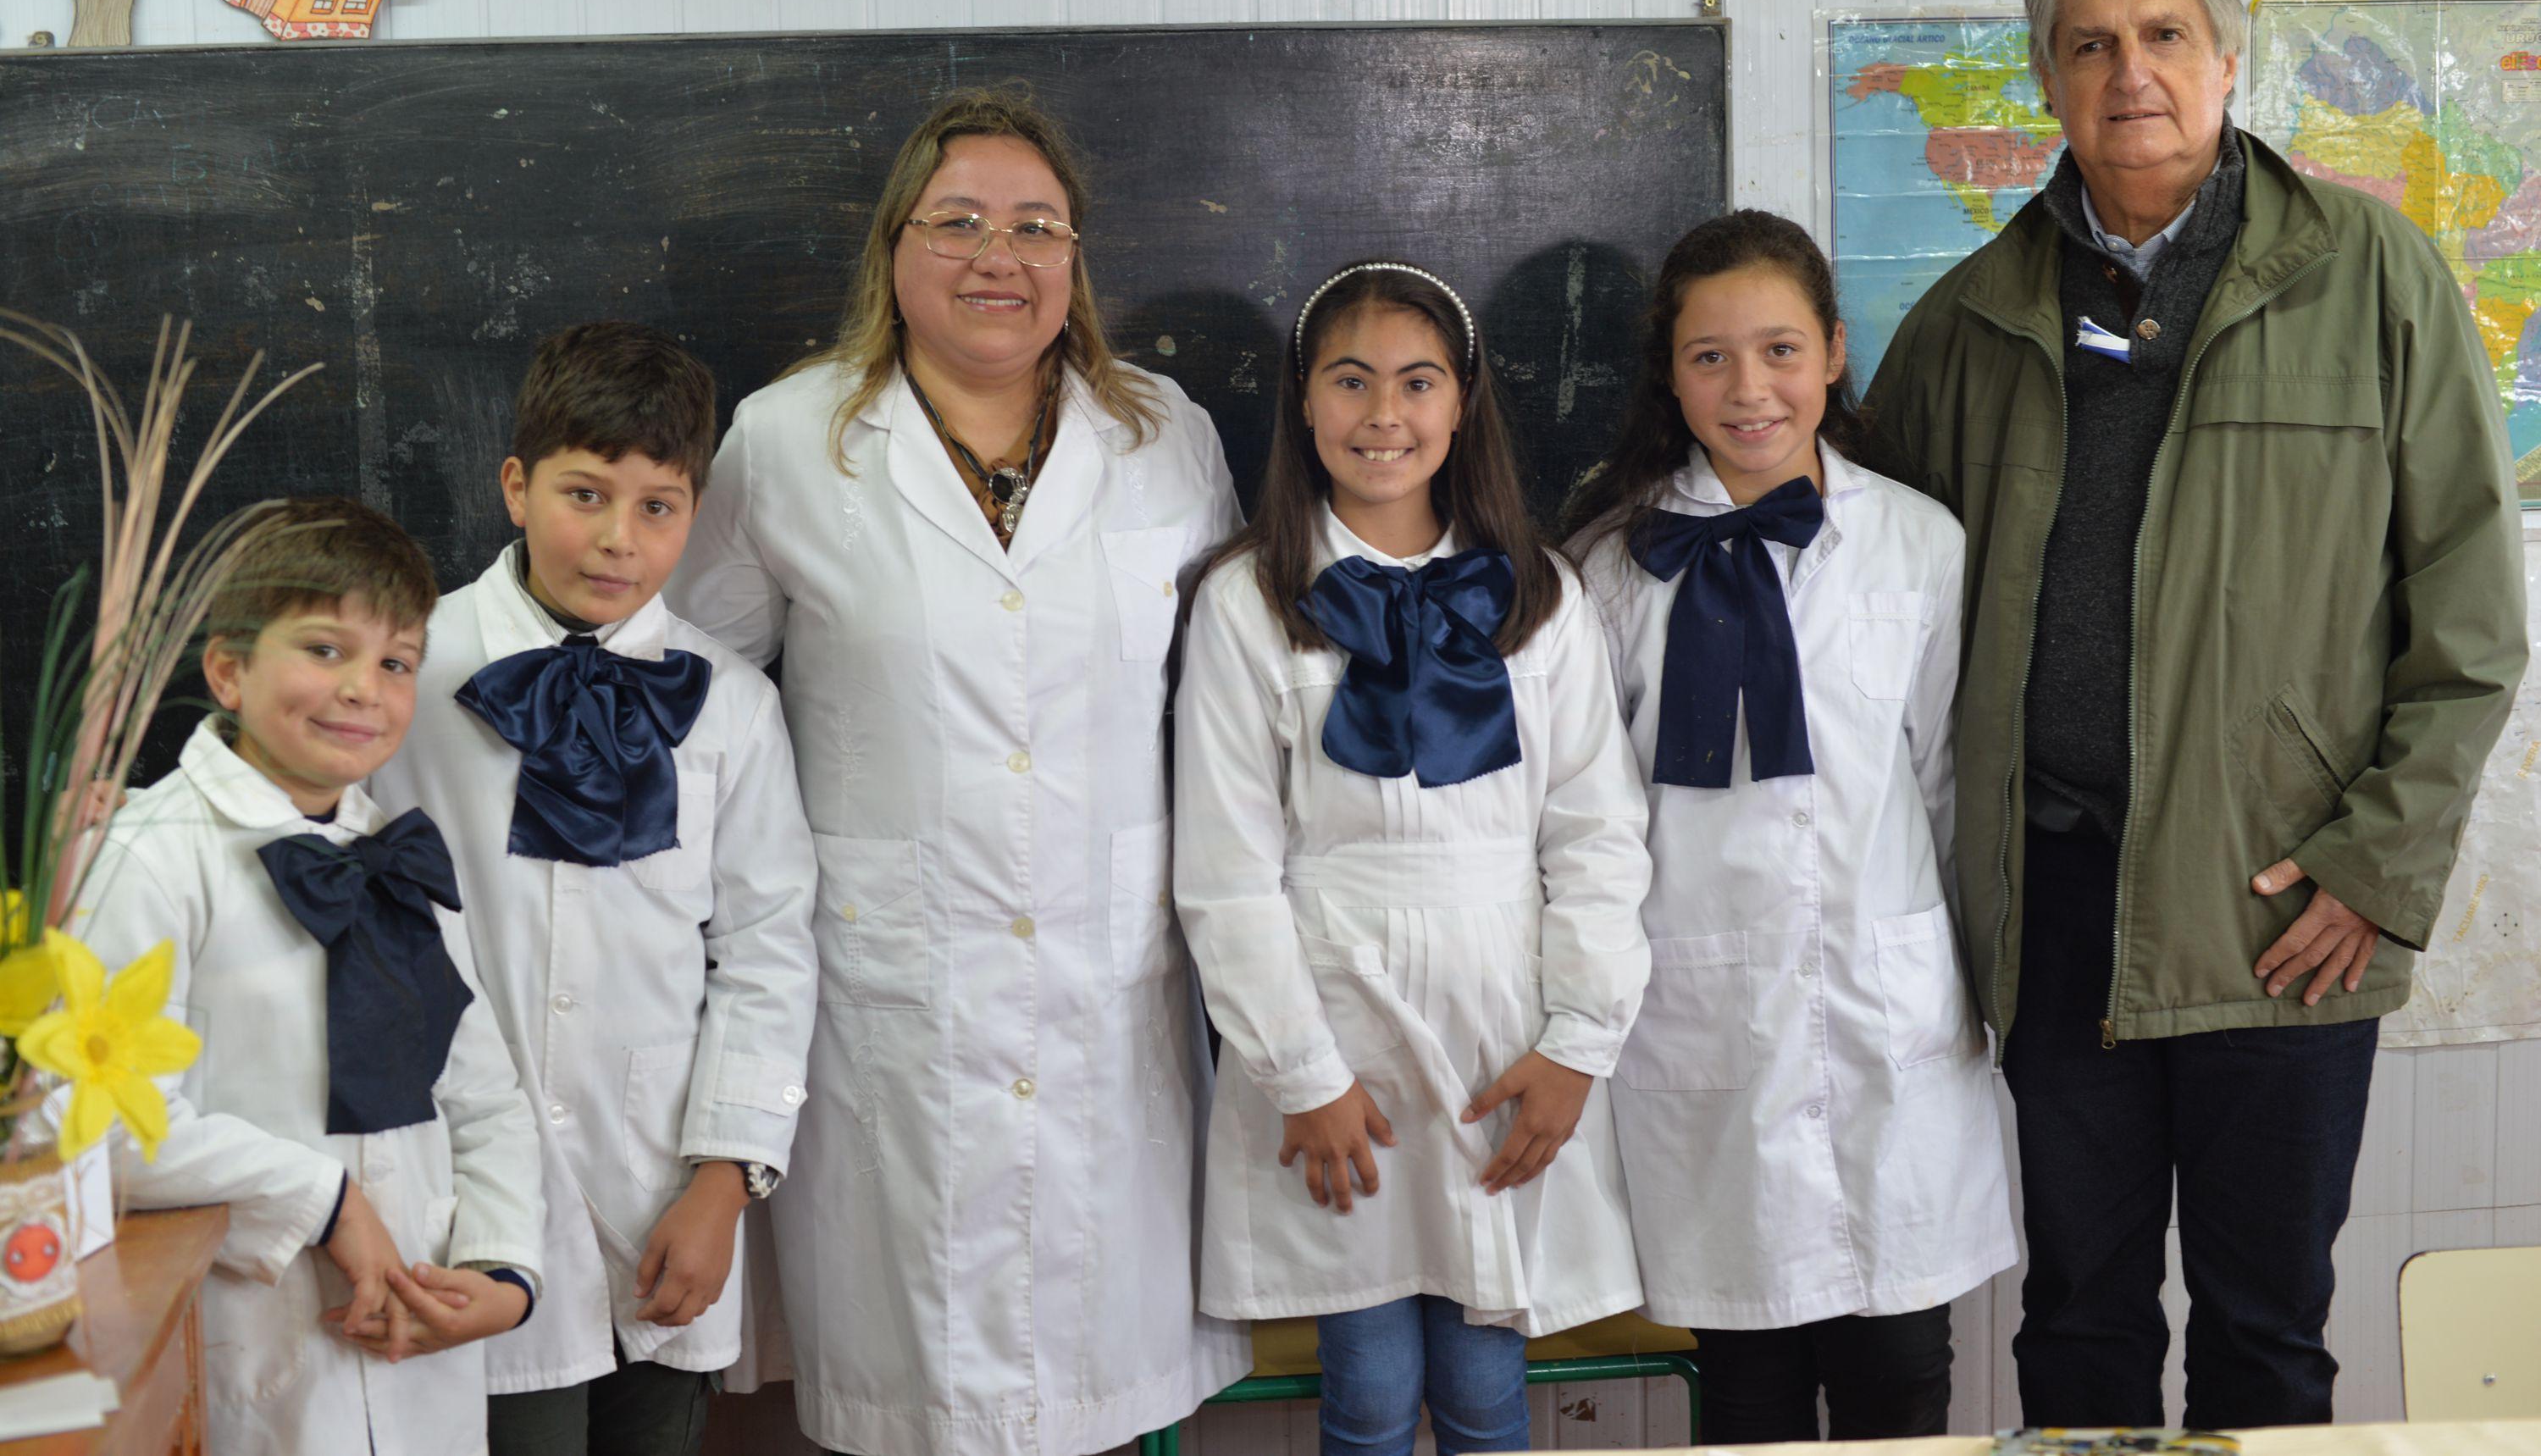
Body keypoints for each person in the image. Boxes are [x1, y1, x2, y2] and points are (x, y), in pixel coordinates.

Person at [1866, 0, 2528, 1430]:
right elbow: (1856, 592)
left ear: (2230, 60)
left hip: (2286, 909)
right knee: (2078, 1325)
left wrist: (2376, 865)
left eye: (2165, 35)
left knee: (2267, 1328)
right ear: (2048, 79)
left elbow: (2475, 623)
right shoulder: (1967, 321)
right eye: (2092, 43)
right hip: (2056, 913)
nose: (2132, 72)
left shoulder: (2377, 278)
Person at [668, 86, 1250, 1456]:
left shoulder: (1166, 435)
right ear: (893, 251)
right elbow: (689, 698)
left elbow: (1228, 703)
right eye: (961, 222)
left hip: (1112, 996)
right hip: (891, 995)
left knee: (1100, 1401)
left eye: (1035, 224)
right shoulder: (791, 442)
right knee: (910, 1401)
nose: (1001, 254)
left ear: (1075, 259)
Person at [1173, 260, 1651, 1456]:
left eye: (1416, 381)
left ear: (1464, 400)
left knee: (1491, 1388)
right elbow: (1226, 865)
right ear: (1303, 401)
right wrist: (1301, 1071)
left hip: (1506, 1026)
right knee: (1372, 1391)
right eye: (1350, 380)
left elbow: (1596, 834)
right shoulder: (1248, 599)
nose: (1383, 413)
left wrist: (1576, 1042)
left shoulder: (1540, 593)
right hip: (1338, 1029)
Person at [1565, 211, 2014, 1442]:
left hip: (1892, 1016)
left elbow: (1950, 789)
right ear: (1669, 373)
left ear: (1832, 350)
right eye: (1709, 356)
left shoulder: (1921, 544)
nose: (1748, 388)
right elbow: (1590, 830)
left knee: (1902, 1378)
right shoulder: (1612, 569)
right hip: (1705, 1027)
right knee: (1749, 1386)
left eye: (1778, 350)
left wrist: (1980, 978)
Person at [368, 323, 817, 1456]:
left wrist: (724, 1180)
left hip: (663, 1191)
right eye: (584, 493)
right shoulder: (401, 676)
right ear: (516, 485)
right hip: (463, 1202)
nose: (618, 538)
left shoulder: (728, 705)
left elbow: (769, 946)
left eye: (659, 505)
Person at [74, 497, 545, 1456]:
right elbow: (106, 1130)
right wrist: (323, 1196)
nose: (363, 688)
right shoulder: (150, 857)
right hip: (251, 1357)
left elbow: (486, 1099)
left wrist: (502, 1269)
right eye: (324, 649)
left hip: (423, 1351)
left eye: (394, 662)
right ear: (229, 669)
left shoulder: (400, 855)